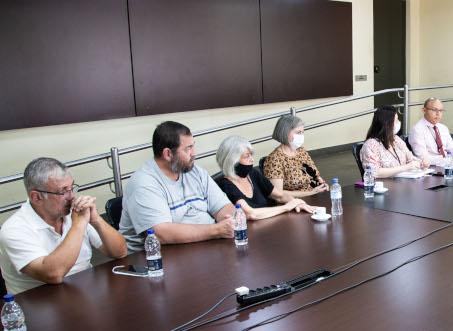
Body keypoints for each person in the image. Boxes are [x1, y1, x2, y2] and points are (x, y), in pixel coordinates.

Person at [0, 158, 127, 294]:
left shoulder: (73, 213)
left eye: (71, 188)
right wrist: (78, 225)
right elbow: (53, 274)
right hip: (39, 304)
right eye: (63, 191)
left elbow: (120, 252)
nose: (71, 196)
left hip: (82, 292)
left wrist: (96, 221)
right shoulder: (14, 229)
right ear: (37, 197)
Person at [119, 121, 236, 252]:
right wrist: (216, 230)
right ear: (168, 154)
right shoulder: (143, 183)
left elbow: (223, 207)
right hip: (155, 258)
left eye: (193, 147)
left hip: (201, 248)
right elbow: (161, 234)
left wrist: (230, 221)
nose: (194, 153)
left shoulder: (194, 172)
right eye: (188, 149)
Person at [215, 136, 316, 219]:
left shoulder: (252, 174)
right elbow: (250, 214)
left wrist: (296, 203)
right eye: (247, 156)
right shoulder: (226, 185)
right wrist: (286, 207)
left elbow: (279, 195)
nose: (252, 160)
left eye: (251, 155)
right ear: (232, 161)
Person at [262, 115, 329, 197]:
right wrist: (310, 193)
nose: (301, 135)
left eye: (302, 132)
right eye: (298, 132)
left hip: (313, 196)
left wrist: (323, 185)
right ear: (285, 133)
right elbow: (277, 193)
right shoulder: (274, 159)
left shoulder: (301, 151)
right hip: (293, 202)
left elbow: (315, 175)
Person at [360, 106, 429, 178]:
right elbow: (373, 172)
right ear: (387, 124)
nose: (399, 122)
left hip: (403, 183)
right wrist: (405, 168)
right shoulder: (371, 144)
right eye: (396, 120)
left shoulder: (396, 139)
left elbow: (411, 160)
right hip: (384, 186)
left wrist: (422, 164)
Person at [408, 98, 453, 166]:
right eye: (434, 110)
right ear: (424, 110)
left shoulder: (443, 128)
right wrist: (450, 160)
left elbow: (452, 148)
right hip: (432, 169)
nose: (438, 114)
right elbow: (423, 158)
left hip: (448, 166)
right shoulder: (417, 130)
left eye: (441, 110)